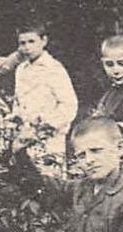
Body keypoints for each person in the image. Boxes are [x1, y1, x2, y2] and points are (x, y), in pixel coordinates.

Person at [8, 21, 78, 170]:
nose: (27, 47)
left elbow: (69, 104)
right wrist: (16, 119)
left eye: (31, 41)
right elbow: (18, 101)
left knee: (49, 180)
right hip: (24, 136)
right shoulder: (21, 69)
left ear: (44, 41)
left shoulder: (54, 69)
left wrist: (47, 126)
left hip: (49, 138)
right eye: (22, 43)